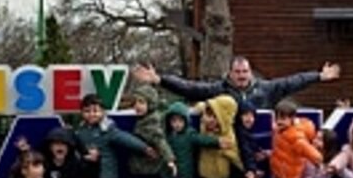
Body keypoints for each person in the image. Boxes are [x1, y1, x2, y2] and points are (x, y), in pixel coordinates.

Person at [132, 56, 341, 109]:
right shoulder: (218, 90)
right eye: (237, 72)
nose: (242, 75)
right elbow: (190, 88)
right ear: (230, 73)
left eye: (245, 71)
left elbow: (292, 82)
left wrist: (318, 76)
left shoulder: (266, 89)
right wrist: (160, 80)